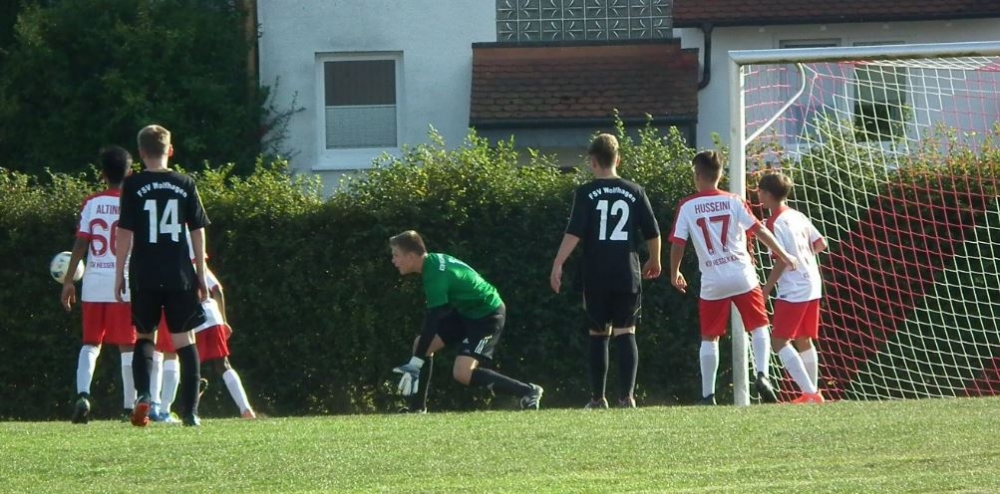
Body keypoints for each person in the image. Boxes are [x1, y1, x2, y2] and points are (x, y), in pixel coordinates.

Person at [668, 150, 797, 405]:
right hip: (741, 274)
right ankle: (762, 375)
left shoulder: (687, 205)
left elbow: (678, 243)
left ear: (697, 175)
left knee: (709, 336)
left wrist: (675, 272)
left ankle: (708, 395)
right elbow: (759, 230)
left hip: (712, 280)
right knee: (759, 326)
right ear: (719, 175)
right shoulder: (734, 200)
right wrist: (783, 254)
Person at [549, 133, 661, 409]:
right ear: (618, 159)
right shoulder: (635, 191)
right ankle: (627, 397)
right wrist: (655, 260)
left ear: (593, 161)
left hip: (595, 273)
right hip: (626, 272)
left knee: (598, 334)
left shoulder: (585, 192)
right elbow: (653, 231)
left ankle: (598, 398)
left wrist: (558, 262)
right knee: (626, 331)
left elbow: (574, 232)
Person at [114, 124, 210, 427]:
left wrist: (120, 273)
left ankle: (144, 394)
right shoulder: (185, 183)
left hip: (144, 271)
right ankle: (191, 411)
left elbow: (124, 232)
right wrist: (201, 273)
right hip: (178, 272)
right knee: (184, 339)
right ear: (170, 150)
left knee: (145, 335)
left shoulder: (132, 185)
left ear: (141, 153)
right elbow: (197, 230)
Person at [389, 230, 543, 413]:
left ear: (411, 256)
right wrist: (418, 358)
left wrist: (415, 363)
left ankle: (528, 391)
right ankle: (417, 409)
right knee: (421, 344)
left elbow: (432, 321)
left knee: (462, 373)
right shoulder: (432, 263)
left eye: (396, 255)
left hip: (488, 315)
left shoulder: (434, 275)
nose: (393, 260)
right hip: (467, 312)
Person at [60, 145, 137, 423]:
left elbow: (81, 244)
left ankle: (83, 395)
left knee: (90, 343)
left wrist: (68, 281)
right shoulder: (134, 203)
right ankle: (128, 407)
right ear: (130, 173)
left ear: (102, 174)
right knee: (127, 346)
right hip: (123, 282)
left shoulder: (91, 203)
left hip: (93, 281)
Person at [758, 172, 826, 404]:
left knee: (779, 341)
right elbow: (821, 243)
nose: (759, 196)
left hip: (794, 288)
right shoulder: (798, 215)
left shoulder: (772, 223)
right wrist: (804, 257)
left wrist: (766, 289)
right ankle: (812, 394)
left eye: (760, 192)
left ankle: (810, 392)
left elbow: (780, 260)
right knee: (804, 338)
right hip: (813, 282)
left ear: (768, 194)